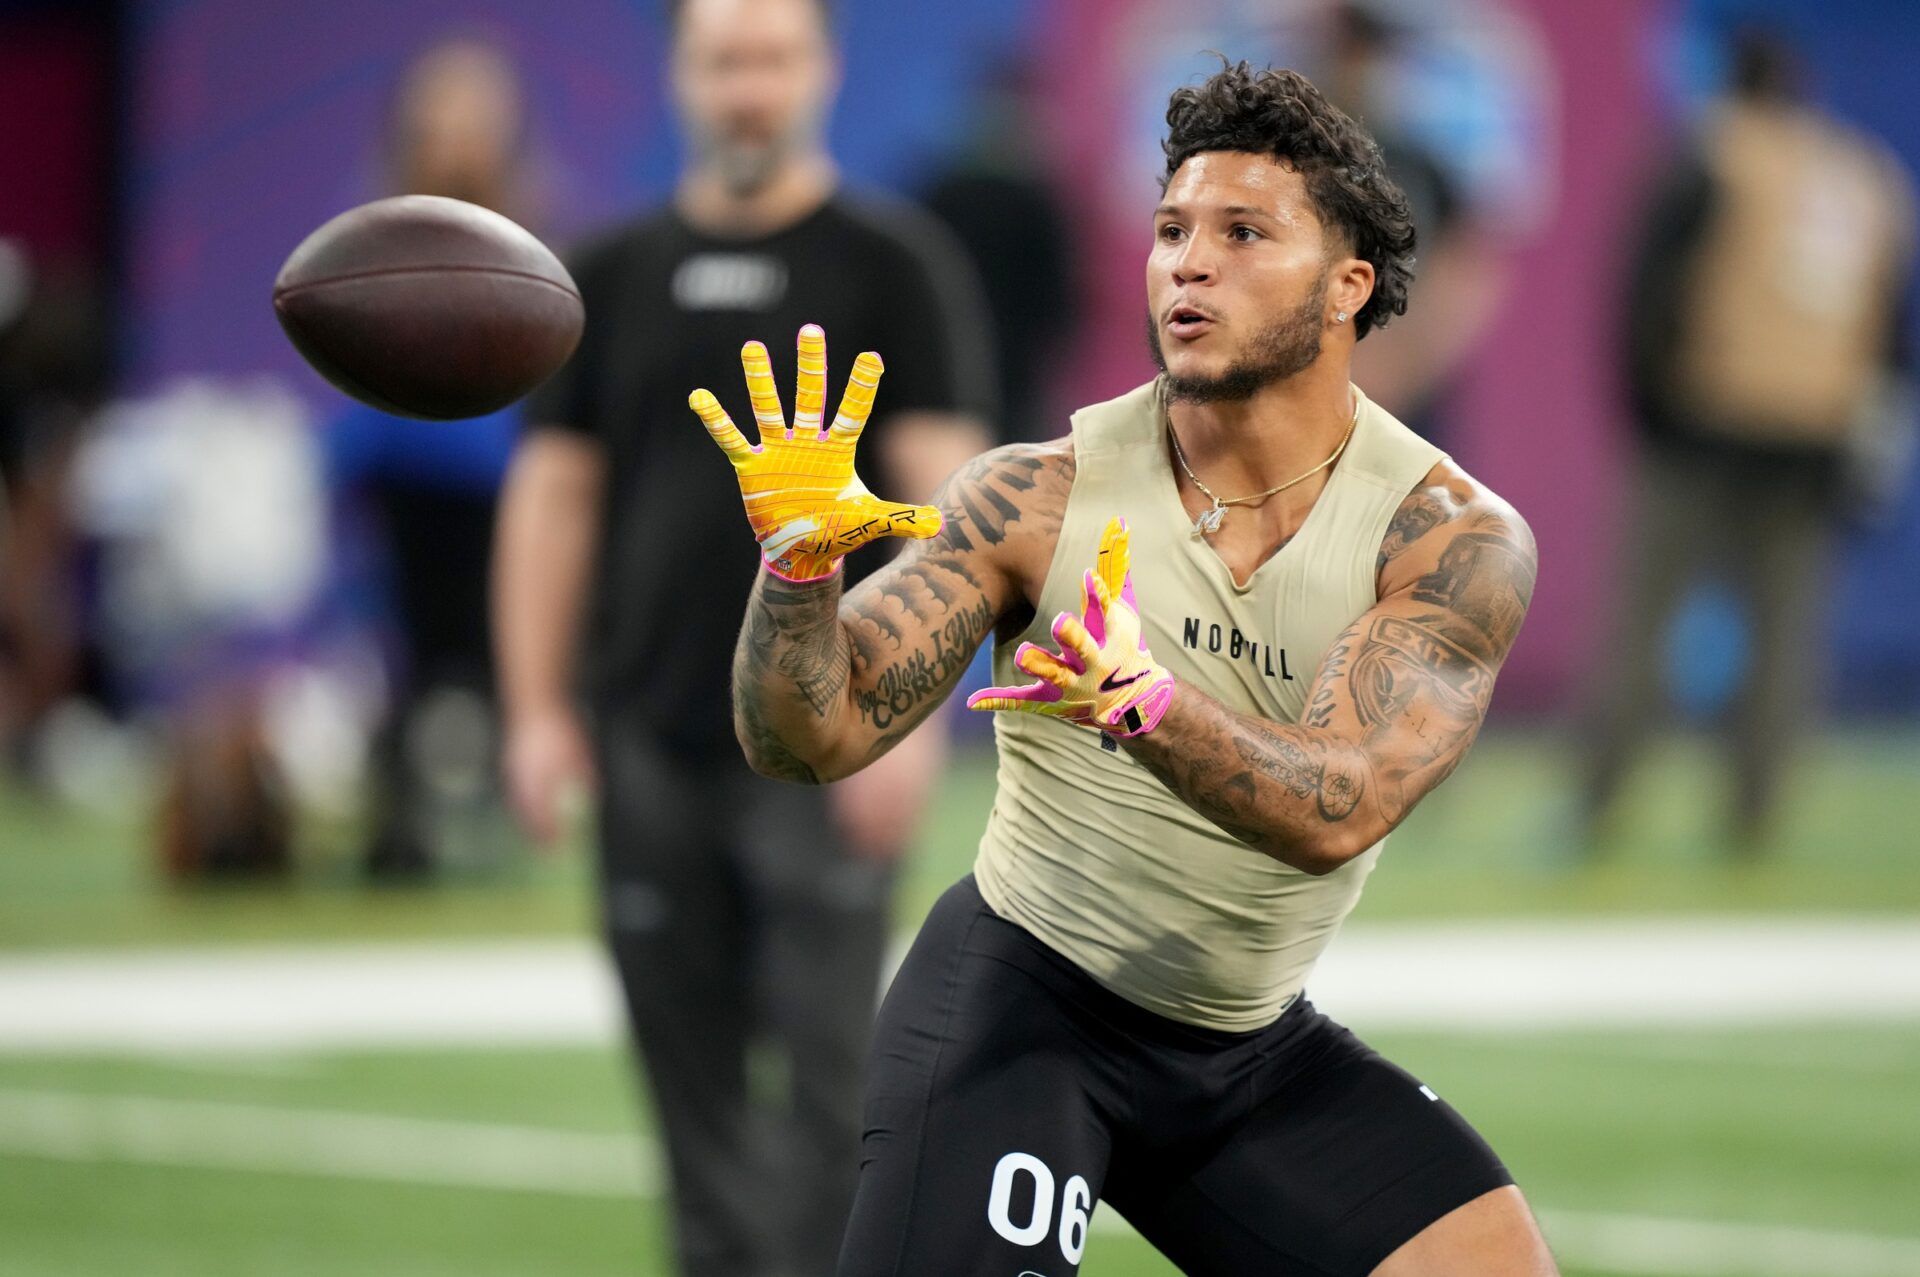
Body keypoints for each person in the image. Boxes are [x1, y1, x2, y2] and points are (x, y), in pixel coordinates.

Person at [697, 62, 1552, 1275]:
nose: (1187, 263)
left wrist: (1146, 703)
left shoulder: (1450, 537)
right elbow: (806, 735)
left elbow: (1342, 804)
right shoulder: (1038, 494)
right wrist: (794, 579)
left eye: (1243, 232)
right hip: (1022, 1007)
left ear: (1348, 285)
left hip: (1249, 1047)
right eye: (1170, 230)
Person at [492, 0, 992, 1272]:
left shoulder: (895, 264)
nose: (749, 87)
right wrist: (539, 710)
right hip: (651, 735)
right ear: (682, 78)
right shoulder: (600, 275)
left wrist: (911, 728)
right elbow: (555, 501)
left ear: (819, 72)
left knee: (837, 1096)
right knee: (691, 1103)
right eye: (725, 60)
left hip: (830, 740)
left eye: (773, 57)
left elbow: (957, 506)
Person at [1579, 28, 1915, 858]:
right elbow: (1893, 335)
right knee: (1784, 637)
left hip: (1704, 423)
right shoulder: (1861, 174)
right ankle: (1754, 819)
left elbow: (1647, 294)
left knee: (1643, 625)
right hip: (1813, 437)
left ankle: (1599, 805)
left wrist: (1648, 412)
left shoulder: (1710, 155)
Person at [346, 37, 533, 879]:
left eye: (476, 117)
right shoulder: (369, 245)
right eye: (442, 116)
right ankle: (399, 820)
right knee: (408, 663)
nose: (459, 134)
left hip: (501, 489)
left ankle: (512, 798)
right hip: (406, 487)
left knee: (504, 654)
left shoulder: (541, 245)